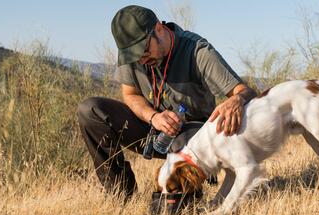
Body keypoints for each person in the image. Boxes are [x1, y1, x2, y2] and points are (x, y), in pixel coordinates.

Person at [77, 5, 257, 200]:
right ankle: (120, 195)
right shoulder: (136, 56)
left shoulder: (197, 51)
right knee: (90, 110)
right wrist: (153, 117)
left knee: (181, 141)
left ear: (159, 29)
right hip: (153, 130)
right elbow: (130, 94)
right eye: (135, 56)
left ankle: (183, 198)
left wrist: (236, 100)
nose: (142, 60)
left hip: (192, 137)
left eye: (144, 51)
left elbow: (244, 91)